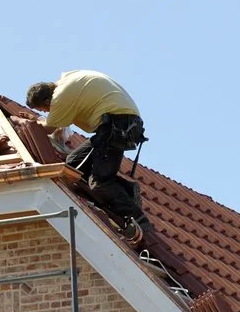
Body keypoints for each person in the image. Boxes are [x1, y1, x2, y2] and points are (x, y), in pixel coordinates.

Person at [26, 70, 151, 239]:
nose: (47, 112)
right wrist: (38, 122)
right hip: (115, 123)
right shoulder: (65, 82)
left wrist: (28, 124)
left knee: (100, 183)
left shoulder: (61, 96)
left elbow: (50, 127)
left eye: (45, 109)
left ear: (48, 100)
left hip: (118, 125)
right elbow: (52, 123)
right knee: (73, 164)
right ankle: (126, 189)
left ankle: (140, 221)